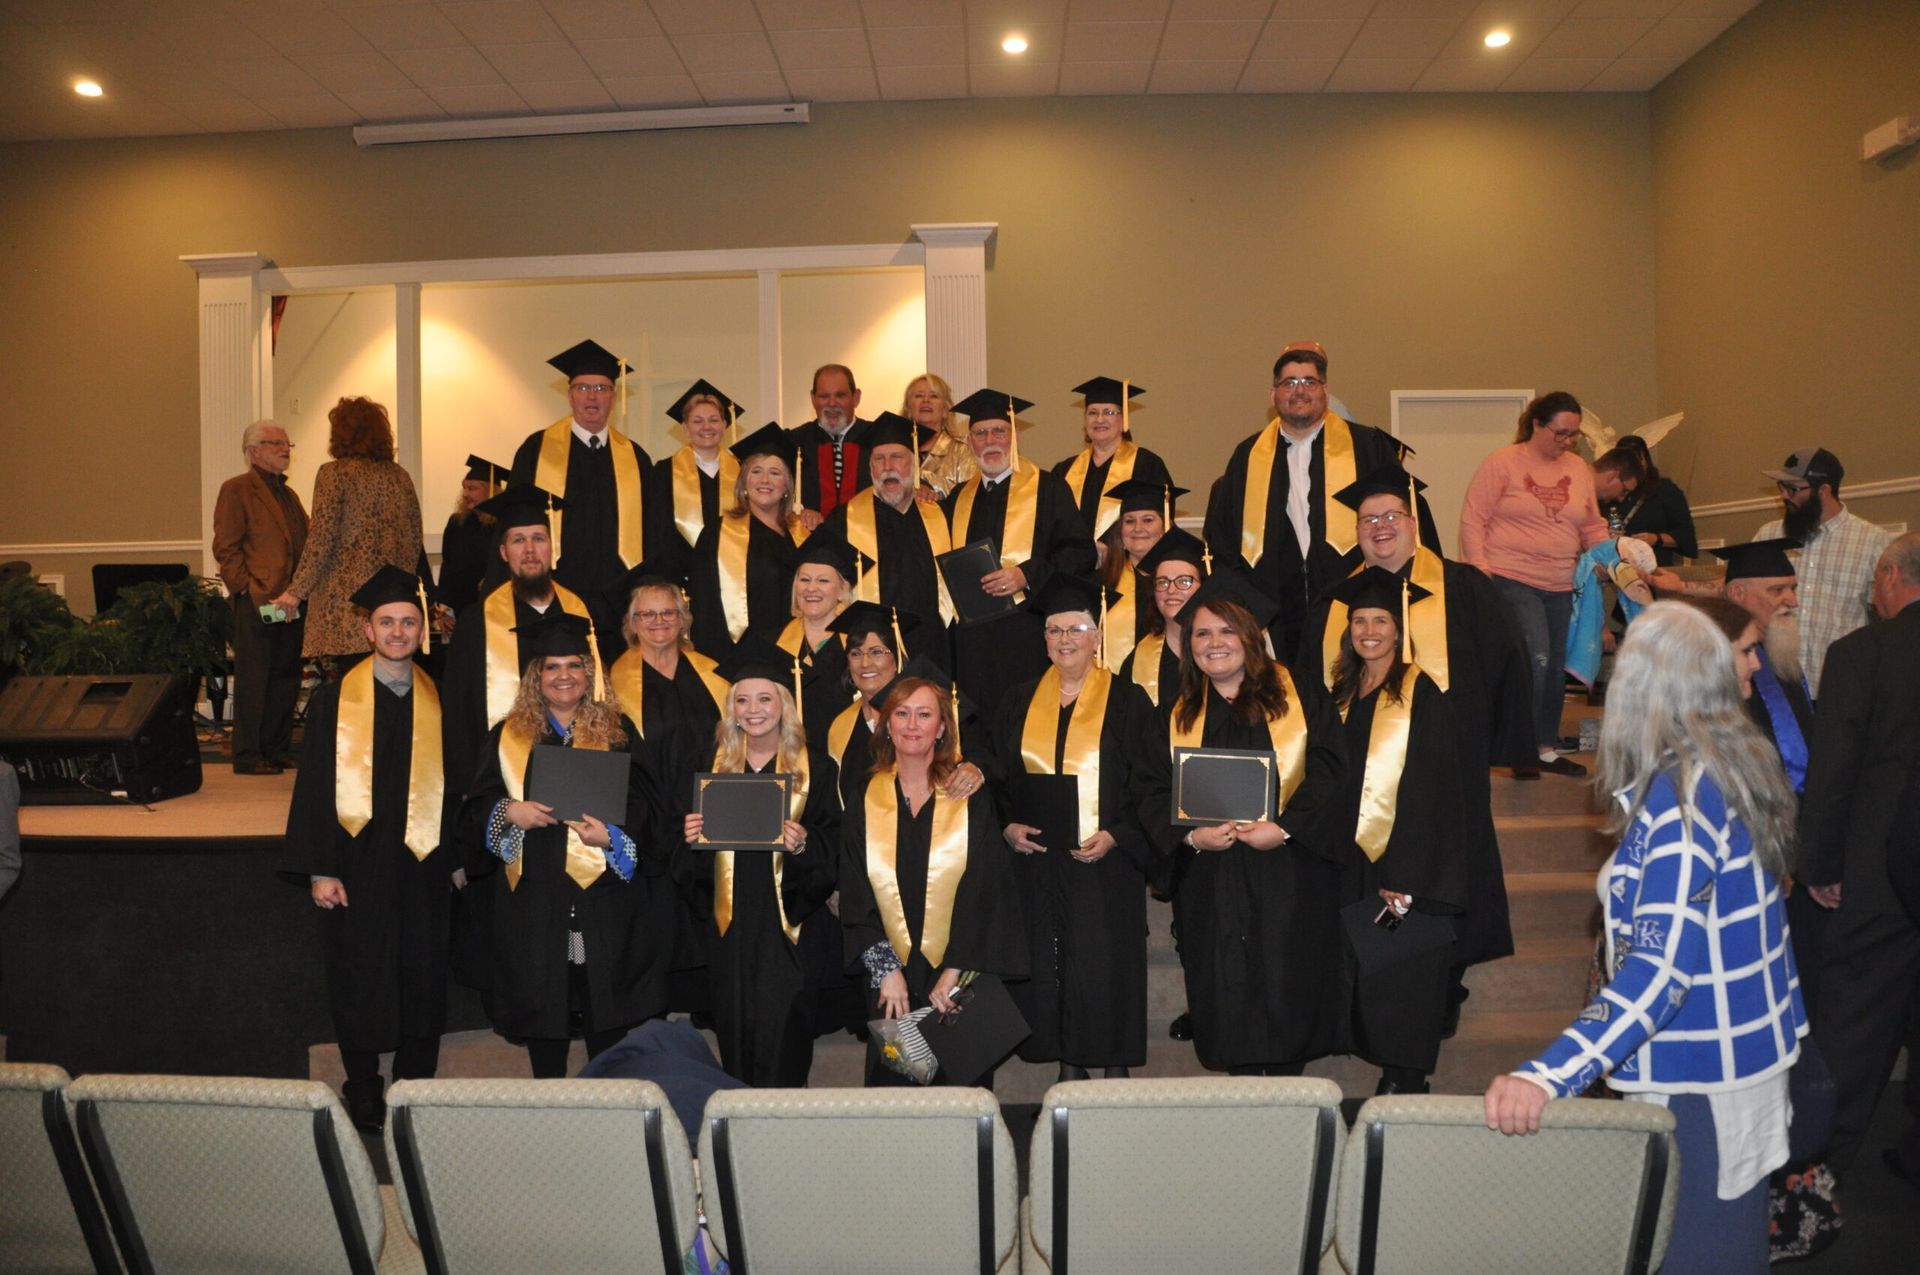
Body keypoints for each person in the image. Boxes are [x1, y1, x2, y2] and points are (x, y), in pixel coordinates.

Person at [1485, 602, 1804, 1275]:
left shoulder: (1686, 797)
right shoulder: (1734, 761)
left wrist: (1546, 1074)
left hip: (1700, 1081)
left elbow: (1658, 972)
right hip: (1737, 1061)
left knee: (1698, 1254)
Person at [1301, 463, 1533, 1032]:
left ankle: (1444, 977)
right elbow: (1312, 682)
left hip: (1446, 765)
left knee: (1445, 866)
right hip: (1358, 769)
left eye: (1390, 516)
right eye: (1366, 519)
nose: (1379, 527)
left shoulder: (1464, 585)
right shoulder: (1336, 601)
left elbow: (1507, 663)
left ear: (1413, 522)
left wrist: (1501, 743)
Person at [1133, 571, 1348, 1076]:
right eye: (1202, 634)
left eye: (1226, 632)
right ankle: (1239, 1082)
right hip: (1213, 873)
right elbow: (1147, 787)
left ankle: (1292, 1084)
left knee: (1288, 970)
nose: (1214, 644)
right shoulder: (1175, 713)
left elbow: (1332, 768)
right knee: (1223, 976)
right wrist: (1189, 835)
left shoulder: (1300, 696)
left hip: (1289, 869)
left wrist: (1288, 827)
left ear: (1250, 639)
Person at [458, 611, 670, 1078]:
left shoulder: (617, 732)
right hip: (535, 894)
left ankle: (607, 1088)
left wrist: (612, 835)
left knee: (604, 997)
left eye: (574, 665)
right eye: (552, 667)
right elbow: (475, 807)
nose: (563, 676)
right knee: (542, 1000)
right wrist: (508, 812)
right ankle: (548, 1092)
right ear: (536, 677)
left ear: (588, 674)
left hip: (603, 894)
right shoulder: (507, 736)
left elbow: (648, 807)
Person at [281, 565, 452, 1134]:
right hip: (356, 860)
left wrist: (453, 859)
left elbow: (459, 785)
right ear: (368, 632)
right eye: (388, 622)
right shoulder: (335, 699)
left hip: (423, 861)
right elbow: (312, 787)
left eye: (409, 621)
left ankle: (412, 1083)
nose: (400, 631)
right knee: (360, 972)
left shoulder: (441, 696)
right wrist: (319, 869)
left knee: (423, 972)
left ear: (422, 630)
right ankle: (362, 1085)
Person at [991, 574, 1155, 1081]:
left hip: (1106, 859)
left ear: (1096, 636)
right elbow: (998, 779)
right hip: (1040, 862)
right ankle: (1067, 1059)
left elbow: (1152, 783)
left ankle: (1113, 1060)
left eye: (1076, 629)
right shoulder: (1017, 700)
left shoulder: (1129, 701)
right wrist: (1008, 828)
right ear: (1043, 640)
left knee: (1106, 962)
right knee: (1050, 959)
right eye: (1055, 630)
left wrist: (1119, 835)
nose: (1065, 640)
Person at [1795, 532, 1920, 1184]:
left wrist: (1818, 864)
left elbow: (1834, 767)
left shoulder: (1862, 653)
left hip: (1875, 877)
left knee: (1853, 1025)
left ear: (1892, 575)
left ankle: (1816, 1170)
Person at [838, 676, 1027, 1086]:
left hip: (958, 973)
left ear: (942, 728)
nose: (911, 724)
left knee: (959, 1092)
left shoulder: (968, 798)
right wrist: (885, 970)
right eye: (901, 714)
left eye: (925, 715)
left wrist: (955, 970)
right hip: (890, 976)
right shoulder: (866, 796)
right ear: (887, 725)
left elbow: (985, 889)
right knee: (895, 1088)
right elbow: (855, 892)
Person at [1322, 568, 1467, 1096]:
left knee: (1404, 966)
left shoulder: (1420, 692)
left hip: (1401, 856)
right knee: (1371, 963)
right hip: (1354, 853)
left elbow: (1433, 790)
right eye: (1359, 620)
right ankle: (1380, 1058)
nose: (1368, 630)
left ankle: (1405, 1077)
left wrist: (1405, 871)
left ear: (1398, 628)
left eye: (1379, 620)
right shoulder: (1343, 689)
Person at [671, 636, 840, 1086]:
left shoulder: (816, 769)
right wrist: (689, 840)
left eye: (764, 698)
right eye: (742, 700)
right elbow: (684, 866)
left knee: (786, 1030)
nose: (753, 709)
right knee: (735, 1024)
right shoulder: (710, 765)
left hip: (789, 924)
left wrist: (804, 845)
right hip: (731, 927)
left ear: (783, 703)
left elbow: (836, 845)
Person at [1203, 342, 1434, 660]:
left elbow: (1407, 524)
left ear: (1325, 390)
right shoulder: (1247, 455)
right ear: (1273, 395)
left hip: (1355, 605)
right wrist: (1247, 611)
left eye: (1309, 382)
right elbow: (1223, 541)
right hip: (1274, 613)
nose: (1299, 391)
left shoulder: (1367, 446)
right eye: (1289, 383)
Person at [1459, 391, 1611, 778]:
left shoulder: (1578, 469)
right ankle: (1520, 748)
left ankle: (1544, 747)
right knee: (1537, 660)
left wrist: (1611, 558)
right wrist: (1479, 569)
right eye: (1560, 433)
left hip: (1561, 583)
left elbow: (1592, 525)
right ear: (1537, 425)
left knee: (1555, 664)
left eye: (1573, 434)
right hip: (1511, 577)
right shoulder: (1503, 463)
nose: (1568, 441)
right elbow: (1474, 519)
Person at [438, 485, 599, 838]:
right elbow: (459, 710)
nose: (529, 550)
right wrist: (468, 788)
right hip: (500, 782)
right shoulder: (477, 620)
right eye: (518, 540)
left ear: (551, 546)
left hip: (577, 782)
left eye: (538, 538)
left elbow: (599, 695)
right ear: (503, 552)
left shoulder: (581, 612)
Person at [942, 387, 1097, 723]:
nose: (990, 440)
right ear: (970, 443)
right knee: (975, 725)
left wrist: (1026, 573)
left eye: (999, 430)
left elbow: (1079, 553)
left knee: (1023, 723)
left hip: (1026, 634)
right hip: (972, 643)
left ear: (1014, 436)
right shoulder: (957, 498)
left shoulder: (1048, 488)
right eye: (980, 433)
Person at [507, 339, 663, 646]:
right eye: (583, 388)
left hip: (620, 604)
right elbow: (514, 525)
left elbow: (653, 534)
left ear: (614, 397)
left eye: (602, 389)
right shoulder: (536, 450)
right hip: (554, 596)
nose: (592, 396)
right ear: (569, 395)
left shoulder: (636, 457)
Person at [272, 396, 425, 670]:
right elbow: (414, 541)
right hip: (391, 605)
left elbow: (322, 539)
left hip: (347, 609)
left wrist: (296, 592)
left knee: (354, 691)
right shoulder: (400, 477)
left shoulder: (335, 474)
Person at [1754, 447, 1894, 699]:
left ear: (1824, 490)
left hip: (1840, 687)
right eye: (1781, 487)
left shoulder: (1874, 542)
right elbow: (1738, 592)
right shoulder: (1769, 535)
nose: (1784, 495)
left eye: (1793, 489)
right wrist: (1685, 587)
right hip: (1779, 685)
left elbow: (1890, 619)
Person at [212, 419, 310, 775]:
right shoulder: (236, 489)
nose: (285, 449)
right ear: (253, 451)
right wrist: (246, 590)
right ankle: (249, 754)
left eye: (287, 445)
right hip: (258, 601)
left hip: (293, 602)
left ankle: (275, 748)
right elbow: (226, 547)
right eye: (275, 443)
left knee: (286, 678)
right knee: (255, 680)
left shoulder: (289, 494)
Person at [816, 411, 954, 659]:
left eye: (897, 457)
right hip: (871, 648)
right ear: (870, 466)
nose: (888, 467)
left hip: (933, 644)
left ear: (913, 464)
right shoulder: (843, 520)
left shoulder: (941, 515)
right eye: (879, 459)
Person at [686, 422, 809, 660]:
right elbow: (704, 605)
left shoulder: (801, 535)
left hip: (793, 654)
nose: (765, 480)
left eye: (775, 473)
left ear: (786, 487)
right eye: (756, 471)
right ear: (743, 483)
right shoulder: (717, 534)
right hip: (736, 654)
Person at [1051, 376, 1174, 543]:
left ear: (1123, 419)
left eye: (1108, 412)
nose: (1099, 419)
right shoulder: (1064, 470)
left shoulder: (1147, 463)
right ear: (1085, 420)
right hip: (1074, 566)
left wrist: (1108, 544)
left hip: (1126, 561)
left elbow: (1159, 518)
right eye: (1092, 412)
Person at [651, 378, 744, 587]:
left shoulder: (743, 472)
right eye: (697, 421)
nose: (706, 427)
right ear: (685, 428)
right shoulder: (664, 472)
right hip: (680, 578)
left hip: (732, 576)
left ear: (725, 425)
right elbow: (658, 533)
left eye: (713, 420)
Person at [1094, 479, 1185, 671]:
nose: (1137, 529)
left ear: (1166, 527)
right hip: (1112, 690)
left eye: (1148, 520)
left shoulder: (1186, 583)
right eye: (1129, 521)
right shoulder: (1100, 583)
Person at [1116, 527, 1209, 710]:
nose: (1171, 590)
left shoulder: (1222, 652)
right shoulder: (1136, 662)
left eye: (1184, 581)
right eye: (1163, 582)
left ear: (1204, 588)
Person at [788, 363, 873, 528]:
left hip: (868, 540)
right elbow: (776, 490)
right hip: (811, 543)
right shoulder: (795, 441)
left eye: (840, 395)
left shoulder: (878, 438)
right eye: (824, 396)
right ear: (813, 399)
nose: (832, 403)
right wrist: (799, 509)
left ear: (856, 397)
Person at [1610, 436, 1697, 566]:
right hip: (1616, 569)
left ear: (1646, 460)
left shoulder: (1665, 490)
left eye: (1637, 461)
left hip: (1655, 568)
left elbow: (1686, 536)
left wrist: (1656, 539)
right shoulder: (1609, 492)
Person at [437, 454, 506, 615]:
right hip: (462, 609)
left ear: (491, 491)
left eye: (472, 488)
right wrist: (445, 608)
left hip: (497, 608)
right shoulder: (457, 523)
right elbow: (447, 565)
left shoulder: (504, 524)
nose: (465, 494)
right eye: (465, 488)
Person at [906, 372, 976, 500]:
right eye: (919, 396)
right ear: (909, 410)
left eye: (934, 396)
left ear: (945, 410)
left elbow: (969, 497)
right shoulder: (896, 450)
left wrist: (930, 486)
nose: (925, 400)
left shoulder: (962, 450)